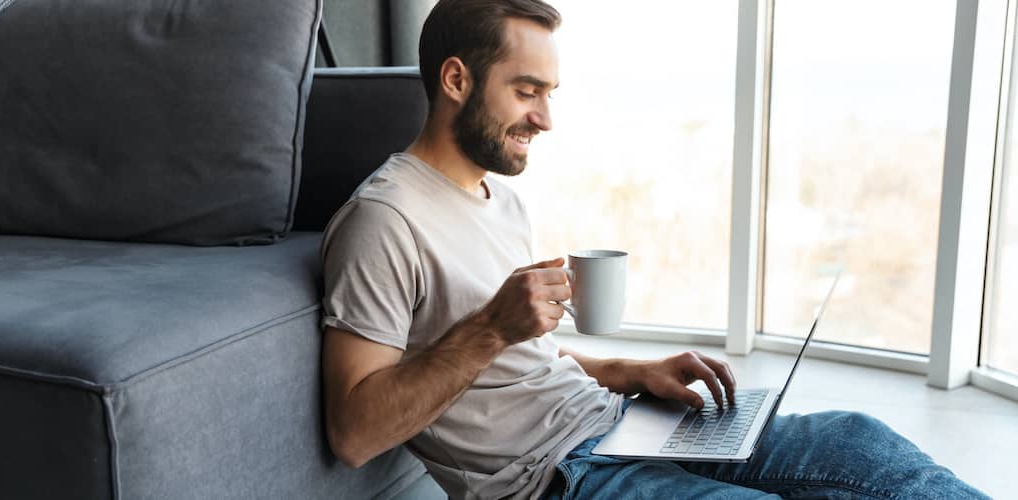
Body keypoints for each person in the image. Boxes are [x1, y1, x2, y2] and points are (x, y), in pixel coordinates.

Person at [319, 1, 988, 498]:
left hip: (615, 421)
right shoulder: (383, 220)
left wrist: (632, 371)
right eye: (527, 92)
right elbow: (355, 432)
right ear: (457, 80)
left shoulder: (503, 200)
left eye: (549, 95)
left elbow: (521, 363)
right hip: (555, 478)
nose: (546, 119)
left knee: (859, 442)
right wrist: (492, 326)